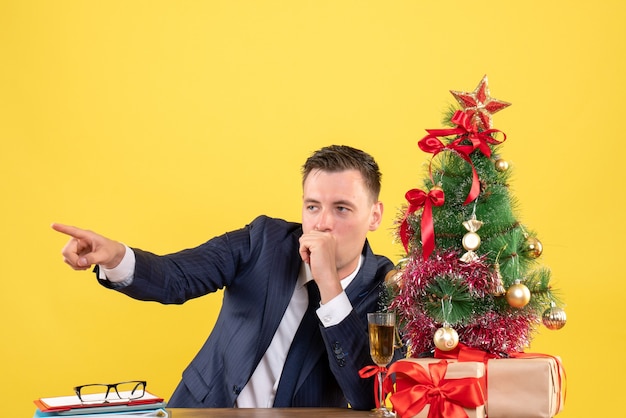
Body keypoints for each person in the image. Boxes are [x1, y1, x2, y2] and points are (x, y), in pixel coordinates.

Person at [52, 145, 398, 409]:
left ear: (374, 215)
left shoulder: (389, 287)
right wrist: (116, 257)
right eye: (312, 206)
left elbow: (369, 392)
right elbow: (176, 277)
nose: (322, 223)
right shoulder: (263, 241)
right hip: (203, 408)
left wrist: (329, 288)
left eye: (341, 208)